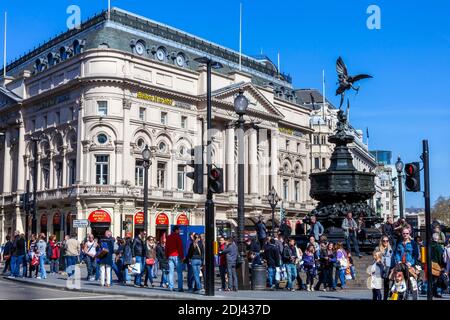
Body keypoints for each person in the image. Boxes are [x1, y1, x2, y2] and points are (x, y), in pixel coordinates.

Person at [165, 226, 184, 292]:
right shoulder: (178, 237)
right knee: (179, 273)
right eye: (179, 230)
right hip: (177, 256)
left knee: (171, 272)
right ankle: (180, 287)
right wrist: (182, 257)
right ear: (176, 230)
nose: (179, 231)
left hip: (170, 256)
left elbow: (166, 247)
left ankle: (171, 287)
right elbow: (180, 248)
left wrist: (167, 256)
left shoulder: (168, 237)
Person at [375, 236, 394, 300]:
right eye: (384, 241)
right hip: (380, 267)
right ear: (381, 241)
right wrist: (378, 259)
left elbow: (392, 258)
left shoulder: (390, 249)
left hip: (388, 267)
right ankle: (379, 296)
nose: (385, 242)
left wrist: (392, 268)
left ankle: (385, 298)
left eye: (387, 241)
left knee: (386, 284)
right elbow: (375, 257)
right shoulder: (378, 248)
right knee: (377, 283)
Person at [430, 232, 445, 298]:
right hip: (437, 265)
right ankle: (435, 293)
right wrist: (442, 265)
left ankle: (431, 292)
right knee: (436, 280)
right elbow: (440, 257)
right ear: (438, 239)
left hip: (429, 264)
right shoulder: (438, 247)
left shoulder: (428, 245)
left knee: (430, 279)